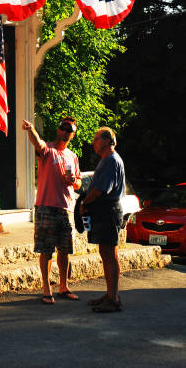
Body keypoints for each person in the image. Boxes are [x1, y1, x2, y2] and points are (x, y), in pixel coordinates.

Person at [22, 117, 82, 305]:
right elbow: (37, 143)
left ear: (72, 134)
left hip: (66, 207)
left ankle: (63, 286)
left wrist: (72, 180)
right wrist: (31, 129)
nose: (66, 132)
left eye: (69, 130)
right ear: (58, 130)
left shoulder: (72, 156)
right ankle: (47, 288)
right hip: (46, 206)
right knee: (46, 250)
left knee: (64, 250)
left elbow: (78, 183)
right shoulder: (48, 150)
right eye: (63, 128)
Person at [80, 127, 125, 313]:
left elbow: (100, 190)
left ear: (107, 141)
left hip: (108, 210)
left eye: (96, 139)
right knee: (106, 252)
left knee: (109, 254)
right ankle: (110, 294)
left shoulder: (110, 161)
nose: (93, 143)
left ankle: (113, 299)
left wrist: (84, 202)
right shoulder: (108, 160)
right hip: (106, 210)